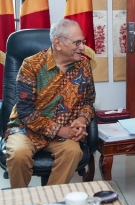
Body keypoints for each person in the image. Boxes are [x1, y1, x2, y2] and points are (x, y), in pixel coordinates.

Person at [4, 19, 96, 188]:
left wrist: (82, 119)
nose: (82, 47)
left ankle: (50, 204)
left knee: (73, 152)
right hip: (27, 129)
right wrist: (61, 130)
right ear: (58, 43)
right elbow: (25, 111)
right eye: (77, 43)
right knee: (18, 154)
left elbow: (89, 101)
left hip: (63, 132)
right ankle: (20, 203)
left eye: (82, 42)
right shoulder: (31, 65)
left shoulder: (84, 65)